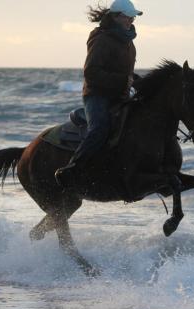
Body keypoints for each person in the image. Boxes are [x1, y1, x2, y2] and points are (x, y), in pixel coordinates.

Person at [55, 0, 143, 187]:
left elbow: (126, 74)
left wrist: (141, 83)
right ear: (117, 16)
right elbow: (91, 72)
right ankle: (73, 169)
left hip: (119, 96)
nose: (131, 20)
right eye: (128, 17)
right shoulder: (101, 38)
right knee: (100, 128)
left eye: (133, 17)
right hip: (97, 95)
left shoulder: (128, 42)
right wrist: (122, 81)